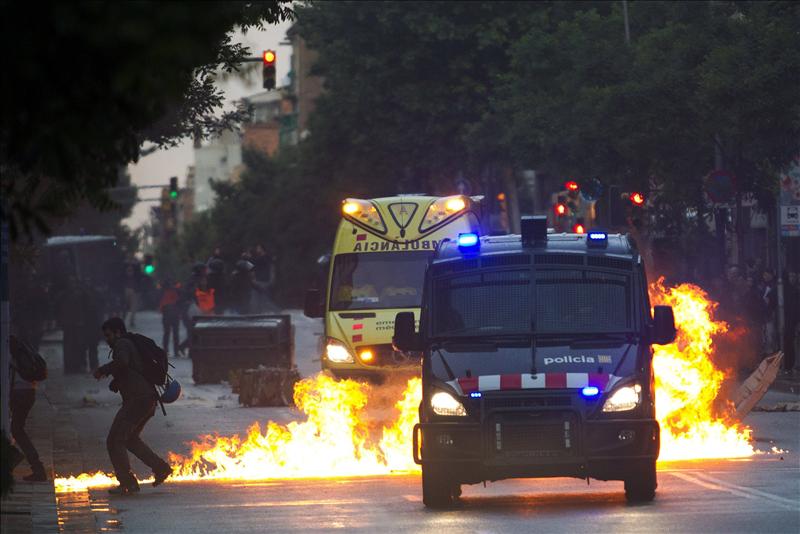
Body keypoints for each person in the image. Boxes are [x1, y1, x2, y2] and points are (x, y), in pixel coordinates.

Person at [93, 318, 172, 495]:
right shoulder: (128, 343)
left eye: (108, 335)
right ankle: (160, 468)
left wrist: (103, 370)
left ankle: (127, 482)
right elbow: (129, 367)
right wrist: (117, 380)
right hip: (146, 399)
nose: (107, 339)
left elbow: (122, 362)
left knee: (114, 440)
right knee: (129, 439)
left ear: (117, 332)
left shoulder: (122, 344)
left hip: (138, 400)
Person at [8, 335, 47, 482]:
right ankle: (17, 458)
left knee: (16, 429)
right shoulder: (18, 346)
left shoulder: (8, 349)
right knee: (16, 428)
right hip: (28, 391)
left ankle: (37, 468)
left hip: (19, 393)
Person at [159, 278, 181, 358]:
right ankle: (175, 351)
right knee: (174, 333)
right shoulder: (175, 292)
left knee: (167, 333)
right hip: (173, 314)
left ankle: (166, 350)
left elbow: (161, 303)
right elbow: (178, 301)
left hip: (167, 313)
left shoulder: (163, 292)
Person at [122, 263, 141, 328]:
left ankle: (131, 321)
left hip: (134, 291)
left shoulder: (136, 277)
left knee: (133, 307)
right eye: (128, 270)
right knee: (125, 307)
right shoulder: (124, 277)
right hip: (127, 290)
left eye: (131, 270)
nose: (130, 272)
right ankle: (124, 319)